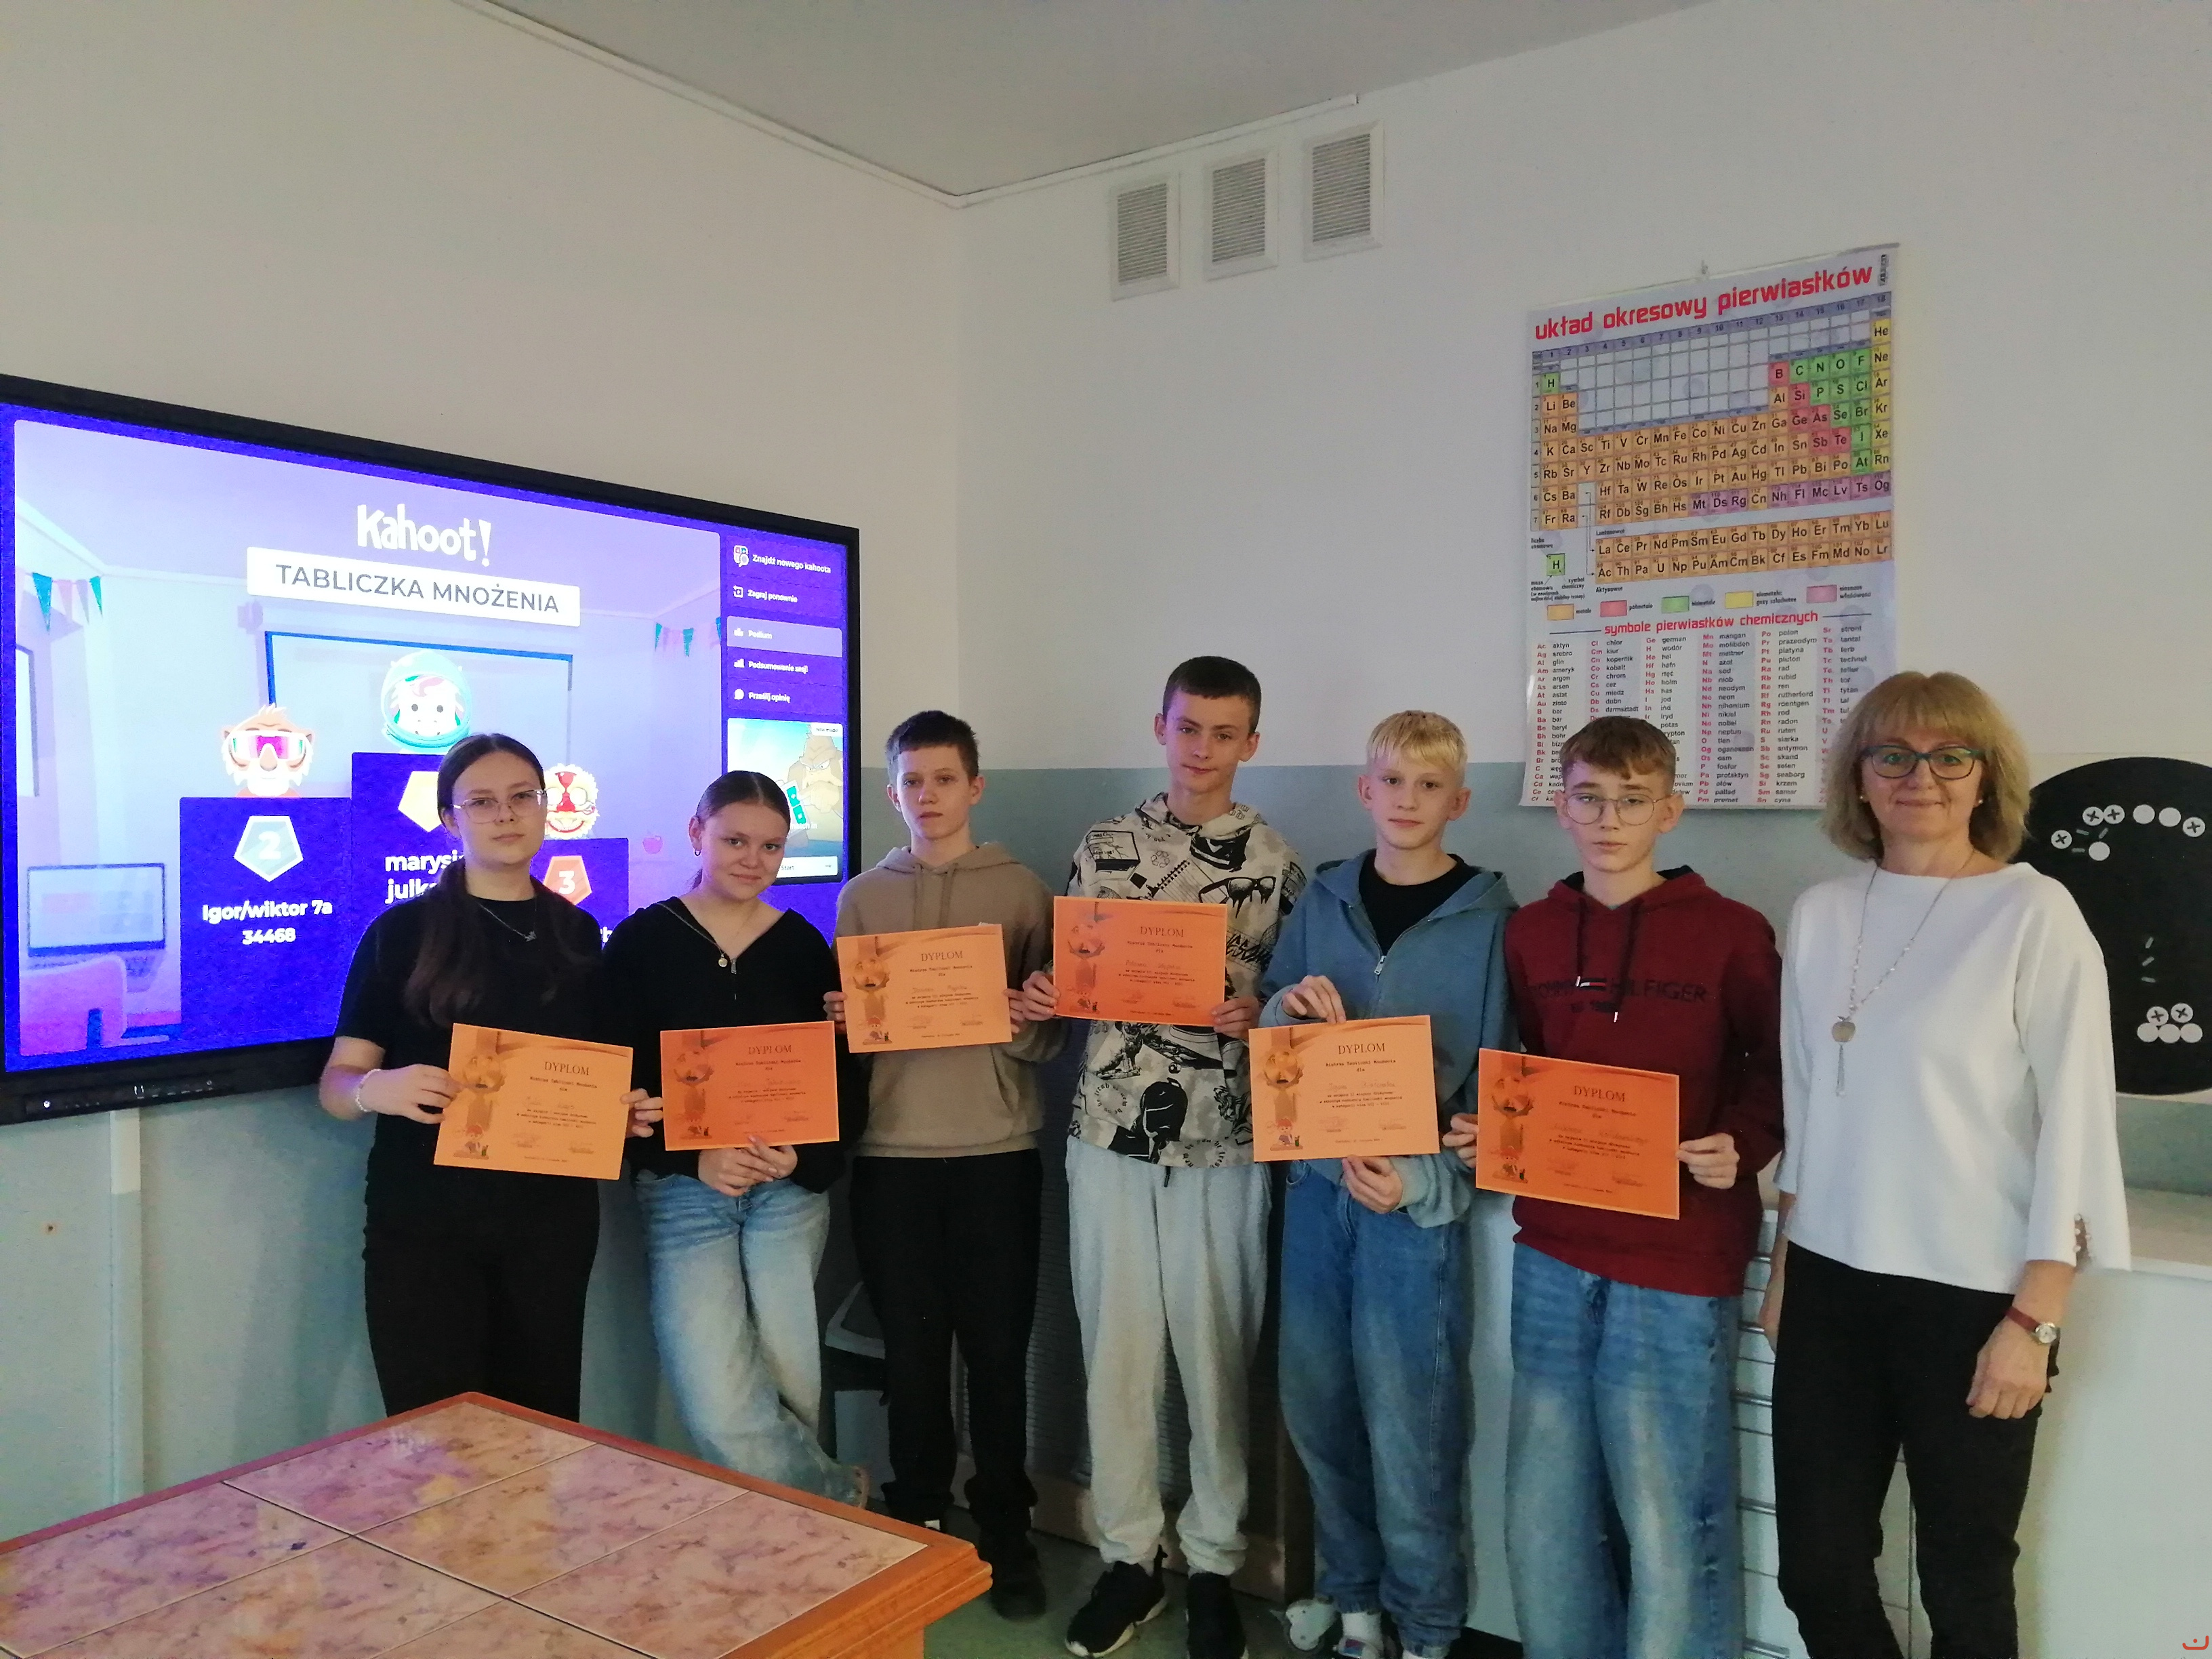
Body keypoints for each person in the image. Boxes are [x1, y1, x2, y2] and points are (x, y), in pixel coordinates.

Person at [1760, 672, 2130, 1657]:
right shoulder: (1822, 912)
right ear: (1859, 778)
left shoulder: (2032, 912)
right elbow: (1809, 1103)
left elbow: (2078, 1122)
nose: (1919, 776)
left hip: (1975, 1296)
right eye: (1893, 755)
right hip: (1831, 1283)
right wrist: (1785, 1268)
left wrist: (2035, 1319)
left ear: (1984, 777)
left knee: (1964, 1578)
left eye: (1948, 756)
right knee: (1818, 1571)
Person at [1443, 715, 1783, 1659]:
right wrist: (1493, 1137)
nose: (1609, 819)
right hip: (1554, 1250)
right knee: (1544, 1514)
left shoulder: (1733, 933)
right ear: (1561, 806)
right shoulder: (1533, 933)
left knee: (1670, 1514)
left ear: (1670, 811)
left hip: (1680, 1257)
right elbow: (1528, 1067)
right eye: (1589, 798)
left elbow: (1778, 1065)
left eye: (1633, 801)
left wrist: (1743, 1143)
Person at [1015, 656, 1305, 1659]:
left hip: (1223, 1142)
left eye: (1225, 733)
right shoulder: (1104, 848)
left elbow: (1300, 1006)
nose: (1203, 749)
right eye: (1189, 728)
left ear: (1251, 744)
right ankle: (1129, 1558)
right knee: (1119, 1353)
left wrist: (1263, 1012)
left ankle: (1216, 1565)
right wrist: (1045, 994)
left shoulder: (1277, 863)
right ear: (1161, 728)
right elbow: (1067, 984)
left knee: (1218, 1358)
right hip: (1108, 1134)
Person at [1257, 712, 1513, 1659]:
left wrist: (1425, 1183)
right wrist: (1288, 1008)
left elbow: (1499, 1090)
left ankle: (1430, 1623)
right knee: (1319, 1406)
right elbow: (1272, 1034)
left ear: (1459, 801)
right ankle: (1354, 1599)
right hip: (1318, 1198)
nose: (1408, 801)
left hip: (1413, 1211)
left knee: (1413, 1423)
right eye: (1392, 782)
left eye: (1429, 786)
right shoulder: (1324, 899)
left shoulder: (1492, 922)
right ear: (1365, 790)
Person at [321, 733, 650, 1419]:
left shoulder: (579, 934)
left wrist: (619, 1116)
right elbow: (338, 1085)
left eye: (522, 797)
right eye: (482, 801)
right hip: (426, 1223)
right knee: (436, 1440)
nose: (505, 814)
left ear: (545, 807)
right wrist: (379, 1090)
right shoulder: (402, 932)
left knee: (542, 1431)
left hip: (549, 1225)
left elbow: (594, 1074)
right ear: (450, 819)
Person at [827, 710, 1064, 1620]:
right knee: (913, 1357)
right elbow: (853, 1045)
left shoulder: (1024, 892)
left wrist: (1026, 1017)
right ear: (892, 793)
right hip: (892, 1161)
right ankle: (920, 1514)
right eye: (911, 782)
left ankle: (1006, 1526)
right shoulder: (861, 899)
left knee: (999, 1356)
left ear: (975, 786)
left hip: (997, 1156)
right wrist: (844, 1023)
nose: (927, 796)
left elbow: (1048, 1040)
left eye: (944, 779)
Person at [600, 770, 869, 1504]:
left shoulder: (802, 946)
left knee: (791, 1380)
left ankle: (796, 1540)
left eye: (771, 847)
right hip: (685, 1194)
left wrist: (801, 1154)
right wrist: (694, 1156)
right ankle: (838, 1499)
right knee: (717, 1392)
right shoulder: (642, 942)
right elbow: (616, 1091)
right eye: (735, 840)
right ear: (698, 834)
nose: (753, 859)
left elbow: (841, 1084)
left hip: (789, 1192)